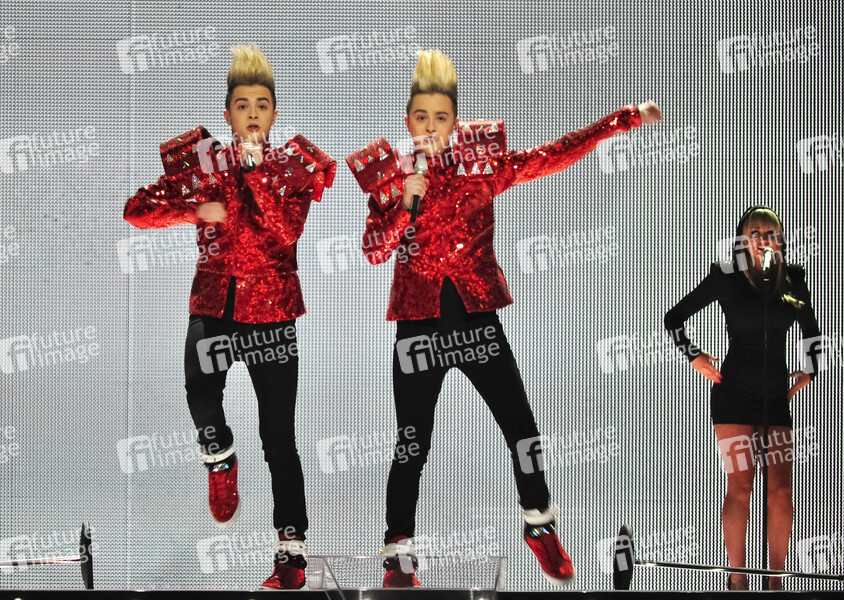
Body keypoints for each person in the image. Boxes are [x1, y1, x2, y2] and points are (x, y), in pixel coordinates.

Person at [346, 49, 662, 587]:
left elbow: (552, 155)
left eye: (440, 117)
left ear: (455, 122)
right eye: (421, 117)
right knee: (411, 443)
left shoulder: (481, 168)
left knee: (522, 429)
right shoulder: (392, 179)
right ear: (408, 121)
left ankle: (539, 524)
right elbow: (374, 251)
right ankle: (398, 555)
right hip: (418, 328)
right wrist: (403, 207)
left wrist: (621, 120)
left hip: (476, 321)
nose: (430, 127)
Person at [122, 45, 336, 589]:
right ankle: (219, 460)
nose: (253, 114)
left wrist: (258, 173)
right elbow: (136, 210)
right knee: (200, 394)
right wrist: (194, 209)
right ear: (227, 114)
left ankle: (291, 553)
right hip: (214, 304)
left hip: (272, 314)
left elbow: (287, 230)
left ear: (274, 114)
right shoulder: (201, 162)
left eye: (262, 105)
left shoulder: (292, 167)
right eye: (243, 105)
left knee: (278, 437)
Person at [664, 205, 821, 590]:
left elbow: (812, 329)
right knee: (741, 486)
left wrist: (811, 369)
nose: (764, 240)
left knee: (781, 490)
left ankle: (775, 581)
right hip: (733, 395)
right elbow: (673, 318)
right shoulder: (726, 276)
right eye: (756, 233)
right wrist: (694, 355)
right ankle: (737, 581)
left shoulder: (791, 279)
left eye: (771, 233)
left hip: (774, 396)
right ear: (743, 239)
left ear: (780, 240)